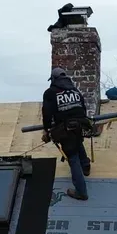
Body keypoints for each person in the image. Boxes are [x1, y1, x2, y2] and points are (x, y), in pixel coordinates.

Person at [42, 67, 92, 201]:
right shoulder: (74, 90)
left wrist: (46, 130)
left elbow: (46, 114)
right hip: (80, 124)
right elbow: (83, 107)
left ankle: (81, 192)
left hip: (65, 127)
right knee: (77, 142)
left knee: (72, 156)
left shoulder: (50, 93)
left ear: (53, 79)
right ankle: (86, 166)